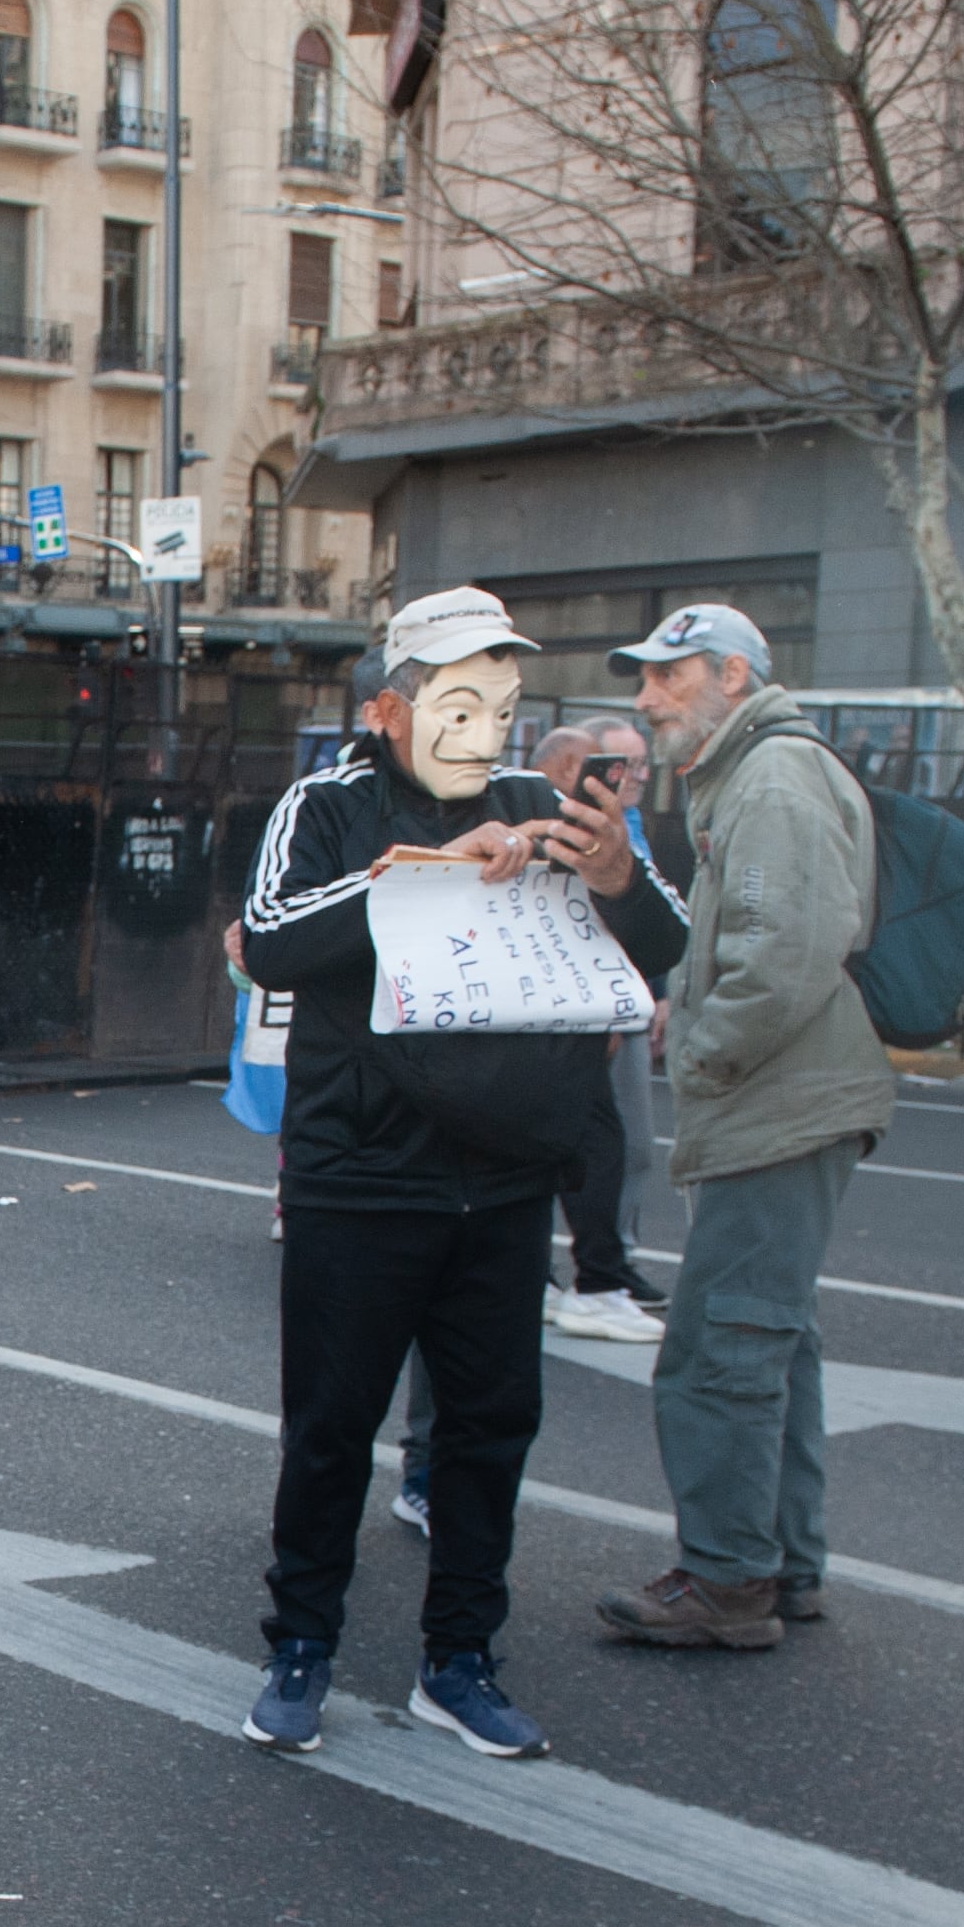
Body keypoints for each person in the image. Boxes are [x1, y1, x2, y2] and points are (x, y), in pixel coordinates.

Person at [232, 584, 688, 1762]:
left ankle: (460, 1659)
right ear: (389, 708)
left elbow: (669, 941)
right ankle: (299, 1647)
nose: (482, 728)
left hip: (503, 1176)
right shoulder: (324, 802)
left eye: (501, 703)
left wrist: (613, 879)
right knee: (330, 1427)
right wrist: (426, 864)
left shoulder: (544, 799)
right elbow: (271, 936)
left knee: (491, 1426)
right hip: (357, 1173)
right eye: (454, 700)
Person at [590, 605, 891, 1649]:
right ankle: (778, 1565)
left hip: (781, 1100)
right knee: (771, 1340)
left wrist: (700, 1042)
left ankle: (724, 1584)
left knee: (721, 1346)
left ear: (730, 675)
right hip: (793, 1096)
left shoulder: (770, 779)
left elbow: (779, 955)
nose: (645, 699)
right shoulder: (757, 773)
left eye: (667, 678)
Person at [542, 718, 667, 1344]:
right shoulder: (546, 824)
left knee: (613, 1143)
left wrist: (650, 997)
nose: (627, 778)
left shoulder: (624, 827)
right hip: (570, 1010)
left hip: (603, 1006)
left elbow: (654, 920)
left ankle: (603, 1272)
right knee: (590, 1143)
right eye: (616, 766)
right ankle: (595, 1278)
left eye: (638, 767)